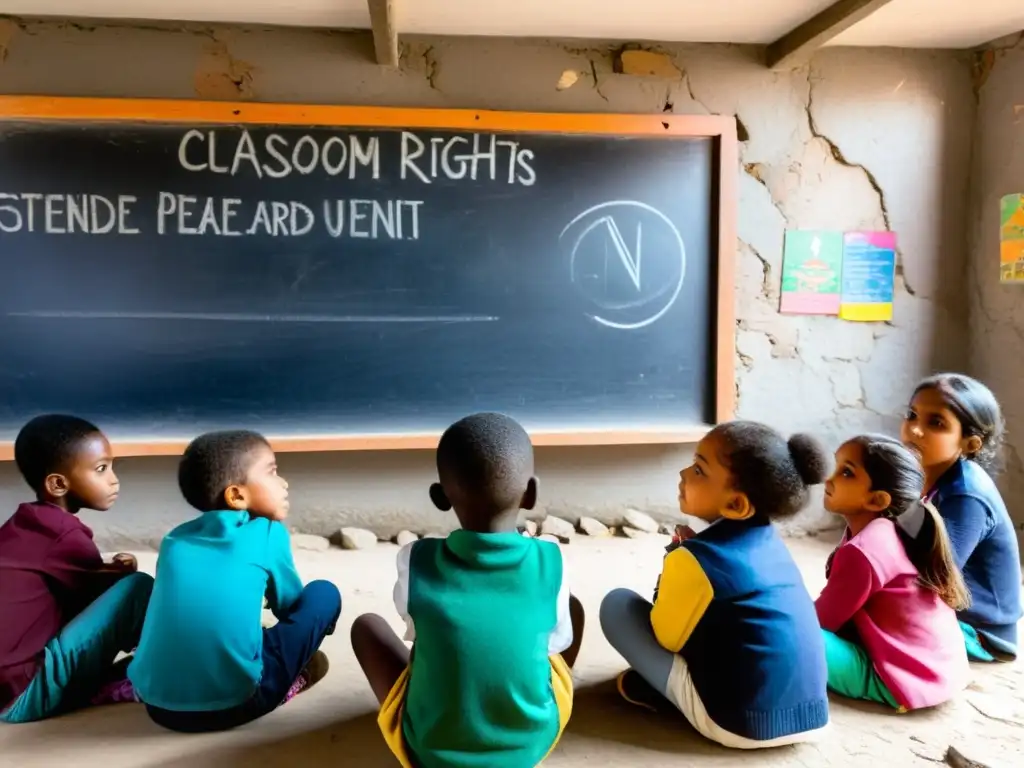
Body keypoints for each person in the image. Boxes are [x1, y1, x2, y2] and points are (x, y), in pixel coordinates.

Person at [351, 412, 584, 768]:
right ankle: (536, 700)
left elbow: (416, 635)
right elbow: (556, 641)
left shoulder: (417, 560)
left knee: (366, 627)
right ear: (531, 493)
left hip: (429, 753)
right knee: (569, 608)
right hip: (528, 749)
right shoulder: (552, 561)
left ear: (440, 497)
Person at [600, 421, 829, 749]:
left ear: (736, 505)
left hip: (740, 724)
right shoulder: (771, 543)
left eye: (698, 470)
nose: (683, 473)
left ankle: (677, 700)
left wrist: (674, 564)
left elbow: (666, 638)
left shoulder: (694, 559)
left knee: (618, 606)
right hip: (812, 716)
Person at [128, 430, 341, 732]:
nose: (284, 483)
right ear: (237, 495)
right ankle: (295, 675)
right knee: (323, 594)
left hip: (157, 706)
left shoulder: (173, 541)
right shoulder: (268, 532)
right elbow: (290, 608)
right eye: (273, 472)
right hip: (237, 702)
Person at [0, 415, 152, 724]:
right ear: (58, 484)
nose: (113, 479)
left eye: (111, 467)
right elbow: (101, 603)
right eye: (100, 469)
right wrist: (122, 575)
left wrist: (108, 572)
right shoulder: (64, 535)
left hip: (5, 689)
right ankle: (173, 662)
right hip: (25, 697)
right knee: (138, 588)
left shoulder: (24, 524)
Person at [816, 434, 969, 711]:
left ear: (877, 500)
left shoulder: (865, 548)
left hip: (900, 680)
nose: (830, 479)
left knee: (785, 630)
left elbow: (821, 621)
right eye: (837, 467)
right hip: (939, 675)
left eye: (847, 473)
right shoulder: (888, 529)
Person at [902, 374, 1022, 661]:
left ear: (970, 443)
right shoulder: (926, 473)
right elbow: (905, 534)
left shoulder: (966, 494)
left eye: (936, 423)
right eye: (912, 415)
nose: (915, 429)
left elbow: (938, 574)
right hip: (954, 610)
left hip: (983, 631)